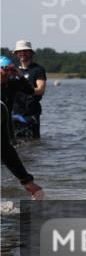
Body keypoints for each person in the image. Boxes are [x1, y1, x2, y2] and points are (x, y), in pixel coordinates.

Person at [1, 57, 44, 199]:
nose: (7, 74)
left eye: (10, 71)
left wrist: (19, 75)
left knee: (7, 148)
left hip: (5, 124)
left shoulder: (12, 84)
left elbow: (30, 90)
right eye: (5, 71)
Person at [12, 40, 46, 139]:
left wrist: (24, 88)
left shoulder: (38, 69)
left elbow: (41, 90)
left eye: (25, 51)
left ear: (31, 53)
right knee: (17, 142)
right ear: (16, 54)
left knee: (33, 142)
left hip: (32, 113)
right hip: (16, 112)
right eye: (20, 51)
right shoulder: (13, 70)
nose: (22, 53)